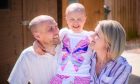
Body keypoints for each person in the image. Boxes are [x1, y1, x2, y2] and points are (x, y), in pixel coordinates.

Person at [8, 15, 60, 84]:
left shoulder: (68, 46)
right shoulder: (28, 56)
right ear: (37, 36)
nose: (56, 31)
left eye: (56, 26)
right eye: (50, 29)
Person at [50, 3, 93, 84]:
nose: (75, 22)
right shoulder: (64, 33)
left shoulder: (89, 35)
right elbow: (51, 41)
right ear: (66, 19)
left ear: (85, 19)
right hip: (61, 75)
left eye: (79, 19)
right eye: (71, 19)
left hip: (81, 77)